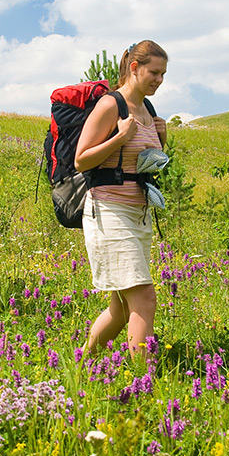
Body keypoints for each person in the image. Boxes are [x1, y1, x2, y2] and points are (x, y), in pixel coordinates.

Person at [74, 40, 168, 359]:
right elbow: (81, 160)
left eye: (163, 74)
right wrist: (120, 137)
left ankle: (83, 363)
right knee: (144, 299)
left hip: (138, 213)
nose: (158, 80)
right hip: (108, 212)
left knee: (122, 308)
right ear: (134, 68)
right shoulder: (111, 105)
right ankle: (144, 383)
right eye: (154, 72)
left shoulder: (148, 109)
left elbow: (144, 165)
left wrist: (162, 142)